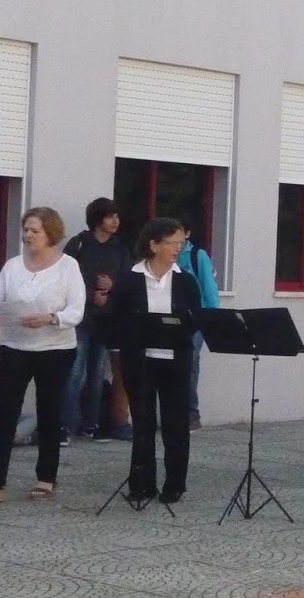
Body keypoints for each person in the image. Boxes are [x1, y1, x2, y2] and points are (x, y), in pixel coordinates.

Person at [0, 207, 87, 502]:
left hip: (55, 350)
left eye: (35, 230)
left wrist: (50, 318)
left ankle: (46, 477)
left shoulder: (68, 266)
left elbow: (77, 310)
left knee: (49, 412)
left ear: (51, 233)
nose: (28, 235)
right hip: (15, 347)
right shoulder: (12, 266)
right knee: (6, 413)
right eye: (25, 230)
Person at [110, 218, 202, 505]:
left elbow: (194, 319)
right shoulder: (129, 278)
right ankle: (142, 483)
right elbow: (116, 317)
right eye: (172, 243)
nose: (177, 249)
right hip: (140, 361)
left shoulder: (185, 280)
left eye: (180, 243)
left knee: (176, 424)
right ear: (153, 244)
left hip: (176, 360)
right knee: (143, 423)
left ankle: (175, 484)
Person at [62, 198, 133, 443]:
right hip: (81, 319)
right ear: (97, 218)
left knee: (97, 375)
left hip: (107, 320)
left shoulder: (121, 248)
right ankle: (66, 425)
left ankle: (91, 424)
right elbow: (67, 276)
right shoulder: (79, 244)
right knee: (75, 373)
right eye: (110, 216)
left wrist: (111, 287)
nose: (115, 221)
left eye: (117, 217)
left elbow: (129, 279)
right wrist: (91, 294)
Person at [175, 223, 219, 430]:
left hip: (195, 319)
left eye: (179, 232)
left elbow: (209, 288)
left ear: (187, 233)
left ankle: (191, 414)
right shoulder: (163, 256)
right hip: (172, 317)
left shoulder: (197, 255)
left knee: (189, 363)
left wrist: (212, 318)